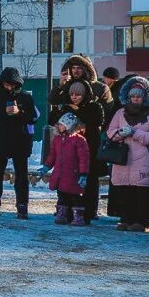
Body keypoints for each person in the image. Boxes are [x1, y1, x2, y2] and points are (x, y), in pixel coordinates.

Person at [46, 54, 114, 219]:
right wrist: (60, 86)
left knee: (89, 176)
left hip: (90, 139)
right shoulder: (67, 86)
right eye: (73, 68)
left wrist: (89, 127)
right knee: (68, 174)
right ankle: (66, 208)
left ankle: (89, 211)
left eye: (79, 68)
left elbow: (105, 113)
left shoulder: (99, 88)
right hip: (67, 141)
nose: (76, 71)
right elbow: (53, 104)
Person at [105, 75, 149, 233]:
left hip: (145, 159)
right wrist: (120, 133)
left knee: (144, 193)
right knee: (125, 192)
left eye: (138, 96)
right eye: (132, 96)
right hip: (123, 159)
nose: (135, 99)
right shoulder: (120, 112)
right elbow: (110, 132)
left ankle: (144, 222)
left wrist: (135, 132)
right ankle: (126, 219)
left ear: (145, 97)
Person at [0, 66, 36, 219]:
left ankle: (22, 205)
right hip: (0, 140)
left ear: (18, 84)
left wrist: (20, 113)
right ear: (1, 83)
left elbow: (33, 117)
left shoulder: (25, 97)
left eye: (12, 84)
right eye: (6, 84)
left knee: (21, 175)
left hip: (20, 140)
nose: (9, 87)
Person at [44, 112, 91, 227]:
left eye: (62, 124)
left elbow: (83, 159)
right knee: (61, 195)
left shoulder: (79, 140)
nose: (59, 126)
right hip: (60, 174)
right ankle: (62, 214)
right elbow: (52, 155)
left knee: (76, 196)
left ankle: (78, 216)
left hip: (73, 174)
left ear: (69, 126)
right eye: (59, 124)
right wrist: (47, 166)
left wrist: (83, 174)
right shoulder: (57, 139)